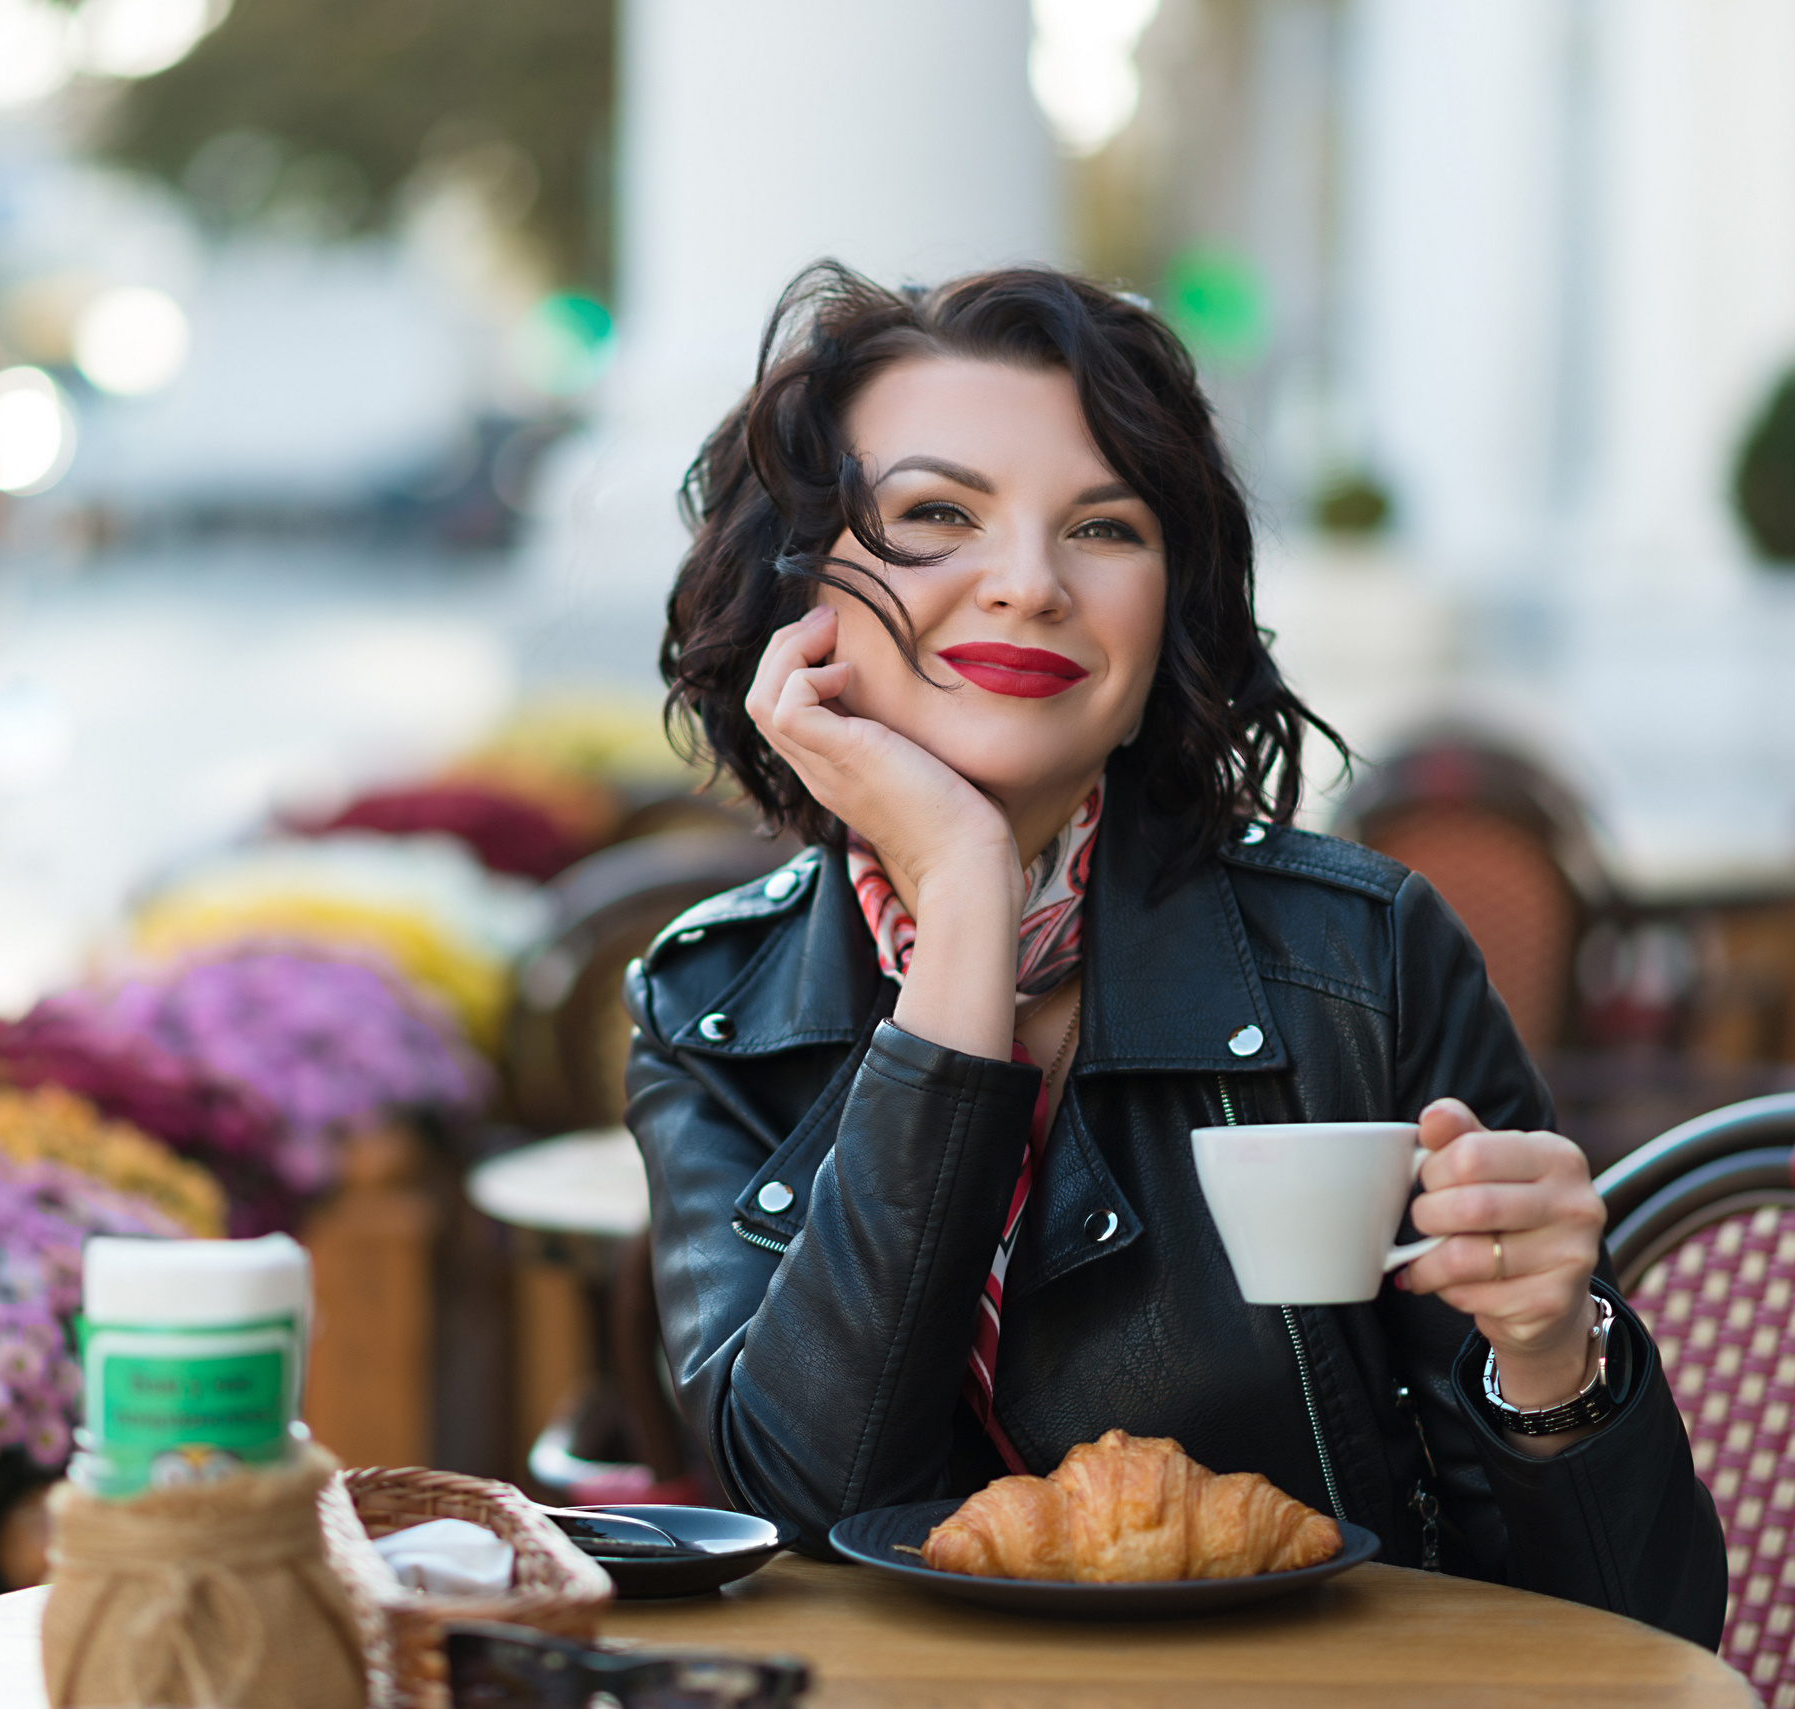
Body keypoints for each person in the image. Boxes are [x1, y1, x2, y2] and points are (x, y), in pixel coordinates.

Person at [625, 263, 1724, 1646]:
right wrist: (964, 898)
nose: (1029, 582)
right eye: (935, 515)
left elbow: (1637, 1630)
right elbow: (812, 1501)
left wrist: (1556, 1358)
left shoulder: (1366, 960)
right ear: (799, 588)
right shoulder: (707, 1003)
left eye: (1104, 526)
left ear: (1172, 603)